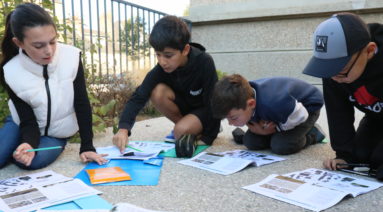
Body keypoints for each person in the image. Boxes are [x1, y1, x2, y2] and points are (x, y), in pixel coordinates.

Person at [0, 3, 107, 170]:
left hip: (55, 134)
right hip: (22, 123)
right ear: (19, 42)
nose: (48, 51)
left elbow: (82, 103)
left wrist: (87, 146)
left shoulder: (71, 58)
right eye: (38, 45)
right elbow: (27, 120)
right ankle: (18, 145)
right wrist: (28, 143)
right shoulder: (10, 71)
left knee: (30, 162)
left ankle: (21, 148)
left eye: (52, 41)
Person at [112, 15, 221, 158]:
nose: (162, 61)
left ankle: (190, 128)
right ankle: (186, 127)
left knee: (181, 131)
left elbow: (213, 101)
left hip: (202, 110)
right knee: (157, 92)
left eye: (168, 55)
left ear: (186, 50)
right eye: (158, 55)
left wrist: (209, 136)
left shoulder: (204, 62)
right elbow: (139, 96)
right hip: (184, 109)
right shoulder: (161, 69)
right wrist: (123, 129)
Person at [303, 12, 383, 175]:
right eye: (329, 70)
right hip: (376, 118)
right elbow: (337, 111)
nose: (335, 79)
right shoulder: (334, 72)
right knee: (358, 157)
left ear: (369, 51)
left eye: (342, 72)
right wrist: (343, 155)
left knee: (379, 160)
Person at [210, 74, 325, 155]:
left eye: (233, 118)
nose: (230, 123)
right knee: (250, 142)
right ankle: (275, 135)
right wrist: (261, 130)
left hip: (304, 109)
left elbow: (300, 115)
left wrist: (273, 130)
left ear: (251, 104)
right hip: (277, 114)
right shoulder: (245, 102)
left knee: (281, 146)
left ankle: (313, 134)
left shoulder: (274, 103)